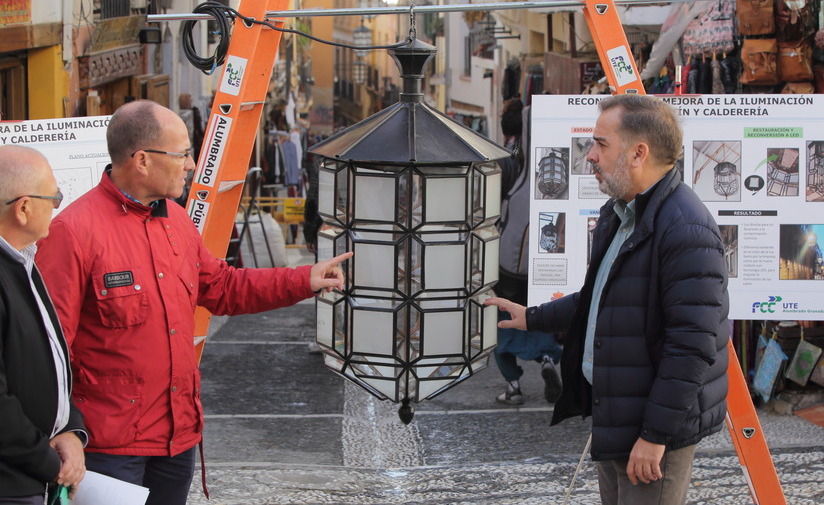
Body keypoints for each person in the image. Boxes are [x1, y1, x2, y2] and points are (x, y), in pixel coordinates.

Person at [35, 100, 351, 505]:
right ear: (143, 160)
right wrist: (65, 430)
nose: (190, 165)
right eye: (183, 153)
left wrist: (302, 278)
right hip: (108, 449)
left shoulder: (177, 221)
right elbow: (48, 351)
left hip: (177, 438)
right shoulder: (72, 232)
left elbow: (223, 287)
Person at [486, 95, 729, 505]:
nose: (591, 157)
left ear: (638, 153)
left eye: (600, 144)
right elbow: (604, 297)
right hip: (619, 412)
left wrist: (654, 436)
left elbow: (692, 347)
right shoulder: (624, 213)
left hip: (651, 432)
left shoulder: (685, 228)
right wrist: (533, 317)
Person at [0, 145, 87, 503]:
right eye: (54, 196)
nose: (57, 205)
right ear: (23, 208)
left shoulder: (25, 260)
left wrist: (70, 430)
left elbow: (50, 362)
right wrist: (47, 461)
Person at [494, 98, 562, 405]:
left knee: (503, 320)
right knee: (538, 316)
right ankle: (547, 357)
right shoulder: (550, 157)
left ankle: (513, 386)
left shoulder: (506, 161)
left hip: (507, 261)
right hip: (544, 258)